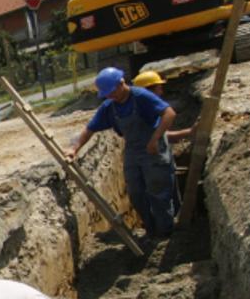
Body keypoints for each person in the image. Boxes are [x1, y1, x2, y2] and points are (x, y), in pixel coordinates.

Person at [69, 66, 178, 240]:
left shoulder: (141, 97)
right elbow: (89, 129)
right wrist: (74, 148)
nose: (109, 96)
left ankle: (166, 232)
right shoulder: (109, 107)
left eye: (111, 92)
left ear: (121, 83)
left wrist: (155, 139)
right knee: (136, 193)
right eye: (106, 94)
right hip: (133, 151)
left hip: (152, 147)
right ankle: (151, 230)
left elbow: (169, 114)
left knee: (158, 191)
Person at [132, 70, 196, 143]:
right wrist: (189, 132)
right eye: (159, 88)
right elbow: (158, 138)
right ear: (148, 92)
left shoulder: (142, 107)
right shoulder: (142, 113)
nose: (161, 92)